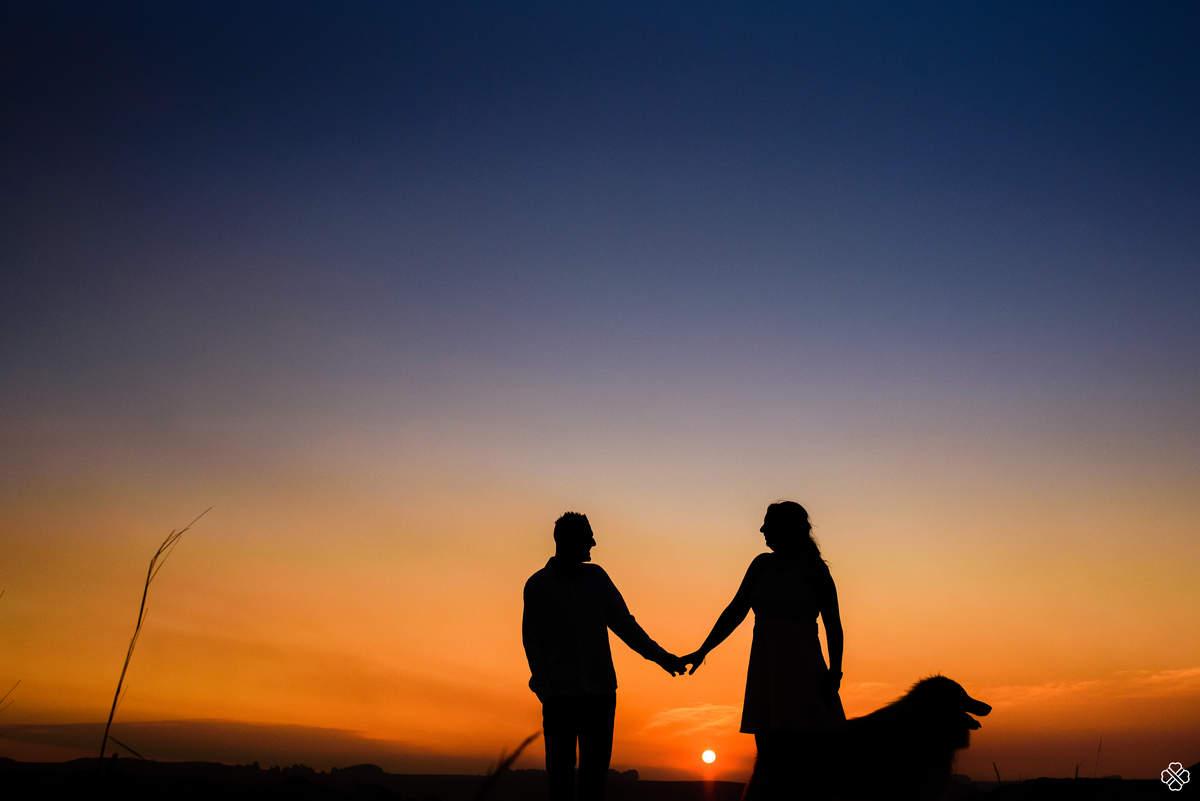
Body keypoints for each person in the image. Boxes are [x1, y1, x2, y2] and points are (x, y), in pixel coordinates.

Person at [683, 501, 846, 798]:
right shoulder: (761, 565)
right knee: (770, 757)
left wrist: (835, 673)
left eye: (768, 524)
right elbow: (735, 610)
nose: (761, 529)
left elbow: (834, 625)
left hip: (804, 670)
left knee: (809, 758)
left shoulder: (814, 569)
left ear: (787, 528)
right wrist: (703, 649)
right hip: (766, 669)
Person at [523, 512, 685, 801]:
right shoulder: (537, 585)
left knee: (594, 779)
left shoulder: (597, 578)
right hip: (560, 695)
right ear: (569, 540)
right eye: (588, 537)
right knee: (560, 777)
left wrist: (663, 658)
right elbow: (532, 642)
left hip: (600, 693)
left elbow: (624, 624)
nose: (594, 543)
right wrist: (547, 692)